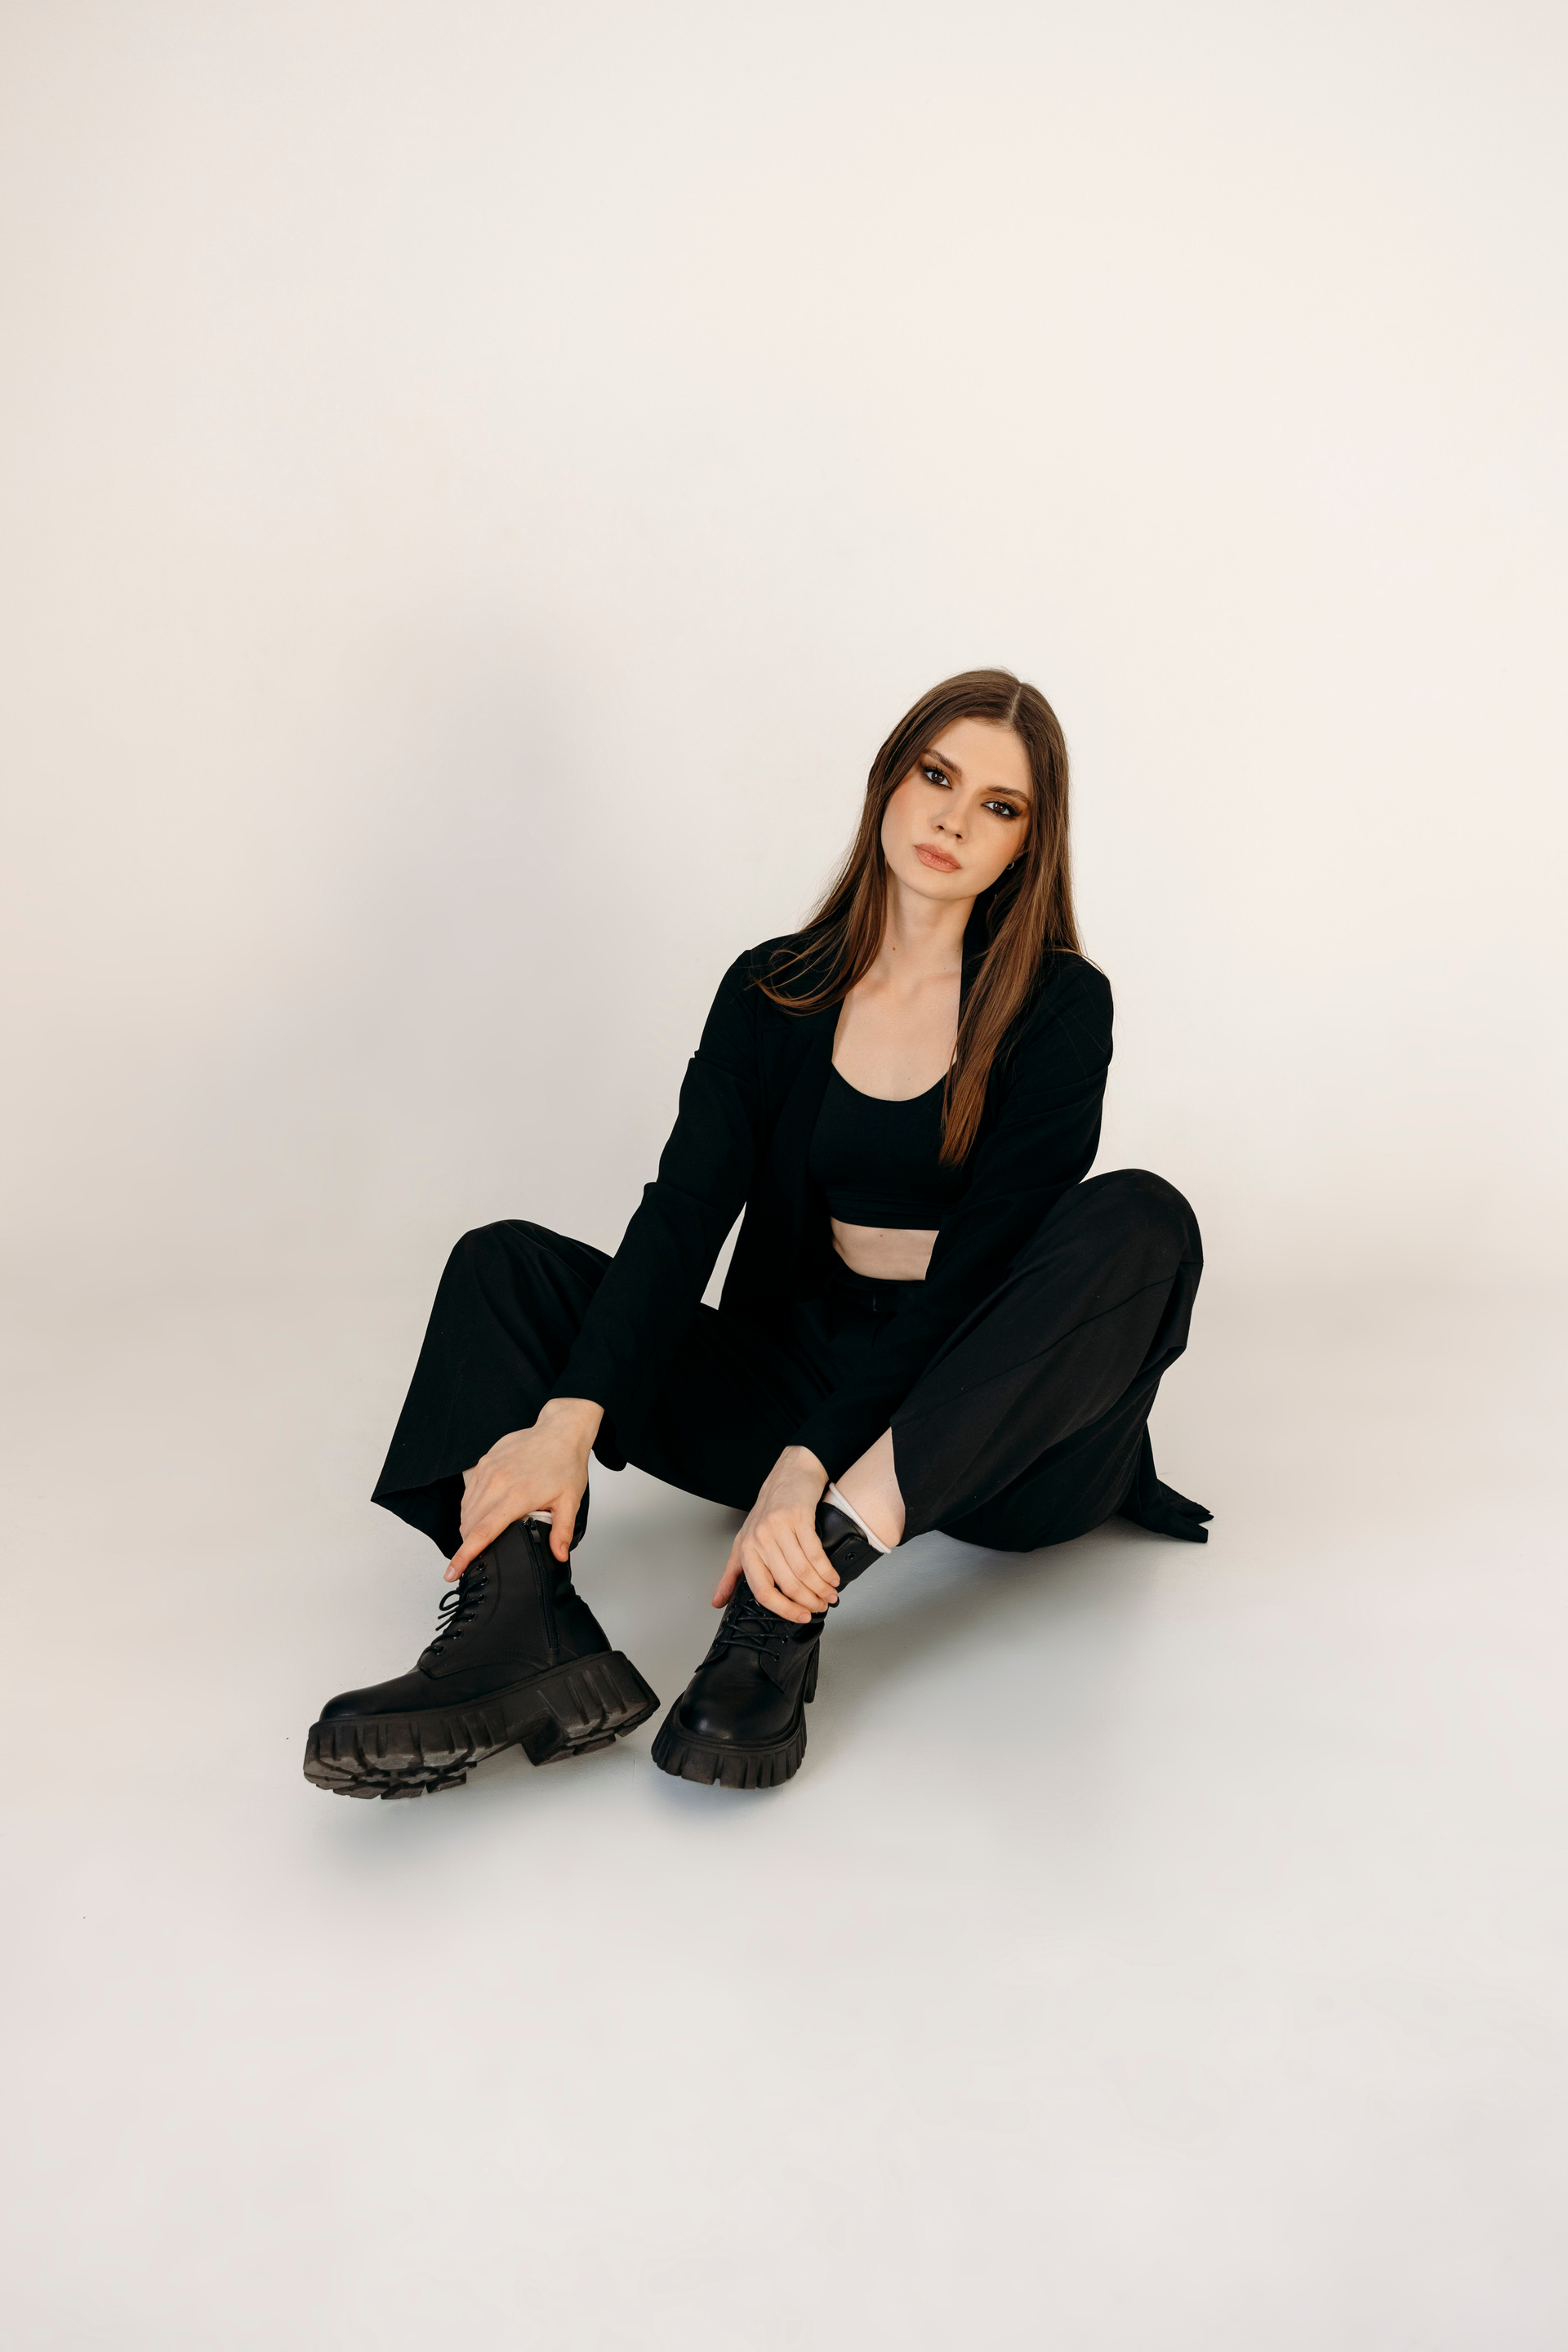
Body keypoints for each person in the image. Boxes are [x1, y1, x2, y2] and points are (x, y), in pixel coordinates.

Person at [304, 669, 1210, 1801]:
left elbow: (976, 1274)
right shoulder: (773, 989)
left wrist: (809, 1467)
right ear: (889, 782)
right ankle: (520, 1622)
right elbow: (683, 1215)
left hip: (1000, 1436)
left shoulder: (1059, 1006)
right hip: (804, 1368)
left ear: (1029, 842)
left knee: (1145, 1217)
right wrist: (567, 1423)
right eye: (936, 777)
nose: (953, 820)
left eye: (998, 805)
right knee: (503, 1266)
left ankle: (789, 1597)